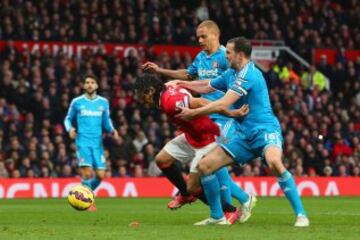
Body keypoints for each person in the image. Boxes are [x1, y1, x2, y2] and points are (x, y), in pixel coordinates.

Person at [175, 37, 309, 227]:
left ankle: (301, 215)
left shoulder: (249, 74)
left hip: (265, 130)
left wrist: (193, 113)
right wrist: (182, 84)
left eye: (228, 52)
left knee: (274, 162)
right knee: (205, 166)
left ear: (240, 54)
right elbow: (207, 85)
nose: (225, 56)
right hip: (243, 134)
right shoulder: (231, 73)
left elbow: (223, 103)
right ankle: (217, 217)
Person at [142, 20, 252, 218]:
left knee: (213, 164)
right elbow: (187, 75)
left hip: (221, 115)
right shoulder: (201, 57)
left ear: (215, 35)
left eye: (203, 36)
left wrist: (234, 107)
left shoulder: (226, 56)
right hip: (201, 115)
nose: (199, 40)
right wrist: (160, 71)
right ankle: (238, 202)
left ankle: (229, 210)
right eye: (198, 37)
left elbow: (241, 79)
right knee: (209, 165)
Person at [134, 73, 249, 224]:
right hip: (191, 136)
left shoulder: (170, 101)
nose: (140, 99)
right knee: (162, 160)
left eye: (141, 94)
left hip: (205, 139)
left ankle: (229, 211)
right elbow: (182, 81)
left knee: (193, 186)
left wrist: (229, 112)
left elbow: (200, 102)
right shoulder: (167, 89)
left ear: (150, 90)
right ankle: (186, 194)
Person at [64, 74, 119, 211]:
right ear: (84, 85)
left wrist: (112, 130)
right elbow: (67, 119)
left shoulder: (103, 102)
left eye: (92, 82)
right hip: (82, 142)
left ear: (97, 85)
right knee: (87, 173)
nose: (89, 85)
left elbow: (106, 121)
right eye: (87, 82)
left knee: (101, 175)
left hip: (98, 144)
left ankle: (82, 194)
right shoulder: (77, 102)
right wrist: (70, 129)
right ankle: (88, 201)